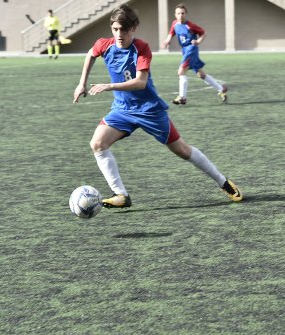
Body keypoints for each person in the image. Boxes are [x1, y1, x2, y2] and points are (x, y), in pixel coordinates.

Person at [72, 4, 243, 208]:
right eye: (115, 29)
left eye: (123, 30)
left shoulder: (141, 48)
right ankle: (121, 195)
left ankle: (223, 182)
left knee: (182, 150)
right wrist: (82, 83)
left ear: (133, 28)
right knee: (97, 144)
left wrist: (109, 85)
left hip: (148, 110)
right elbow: (91, 54)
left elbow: (140, 82)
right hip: (122, 110)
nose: (119, 34)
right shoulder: (104, 44)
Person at [160, 3, 228, 105]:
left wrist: (198, 41)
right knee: (201, 74)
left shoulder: (190, 25)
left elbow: (203, 33)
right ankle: (221, 88)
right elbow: (171, 33)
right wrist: (167, 41)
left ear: (186, 14)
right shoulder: (175, 24)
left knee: (181, 71)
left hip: (191, 49)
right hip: (185, 51)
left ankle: (182, 97)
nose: (180, 15)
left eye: (182, 13)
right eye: (178, 13)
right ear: (175, 14)